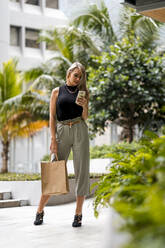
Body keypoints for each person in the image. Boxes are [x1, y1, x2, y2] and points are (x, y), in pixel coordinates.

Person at [34, 62, 90, 227]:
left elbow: (85, 117)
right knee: (54, 170)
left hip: (80, 129)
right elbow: (51, 117)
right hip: (62, 130)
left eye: (80, 77)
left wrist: (85, 105)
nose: (78, 79)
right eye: (76, 75)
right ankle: (39, 210)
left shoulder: (84, 92)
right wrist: (53, 139)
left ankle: (78, 213)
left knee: (82, 172)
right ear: (69, 73)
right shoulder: (56, 91)